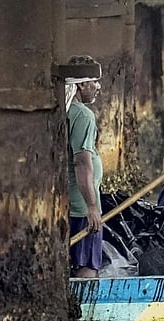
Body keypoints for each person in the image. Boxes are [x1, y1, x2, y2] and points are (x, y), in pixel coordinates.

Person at [66, 55, 104, 278]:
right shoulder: (83, 115)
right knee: (86, 265)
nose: (98, 87)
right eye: (94, 82)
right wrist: (92, 206)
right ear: (81, 85)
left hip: (69, 203)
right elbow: (81, 162)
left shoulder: (67, 111)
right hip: (81, 208)